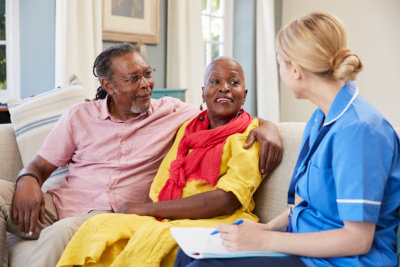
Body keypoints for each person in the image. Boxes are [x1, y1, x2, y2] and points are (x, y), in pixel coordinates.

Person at [0, 44, 282, 267]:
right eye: (133, 79)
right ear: (108, 85)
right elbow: (39, 166)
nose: (146, 84)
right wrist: (28, 179)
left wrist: (268, 127)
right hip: (58, 204)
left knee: (59, 233)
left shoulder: (173, 112)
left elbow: (225, 111)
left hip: (108, 215)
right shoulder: (80, 115)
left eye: (147, 74)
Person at [174, 12, 400, 267]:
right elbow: (304, 202)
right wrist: (266, 229)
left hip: (341, 261)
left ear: (295, 70)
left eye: (280, 63)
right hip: (303, 246)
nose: (279, 70)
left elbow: (357, 240)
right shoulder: (320, 119)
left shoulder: (359, 131)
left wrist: (265, 242)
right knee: (188, 254)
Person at [56, 56, 265, 266]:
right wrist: (151, 210)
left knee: (147, 241)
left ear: (244, 95)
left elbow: (226, 200)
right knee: (98, 227)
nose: (224, 88)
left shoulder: (250, 136)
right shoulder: (189, 127)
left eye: (234, 83)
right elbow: (162, 183)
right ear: (203, 92)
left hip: (218, 220)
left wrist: (147, 210)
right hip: (169, 214)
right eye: (215, 82)